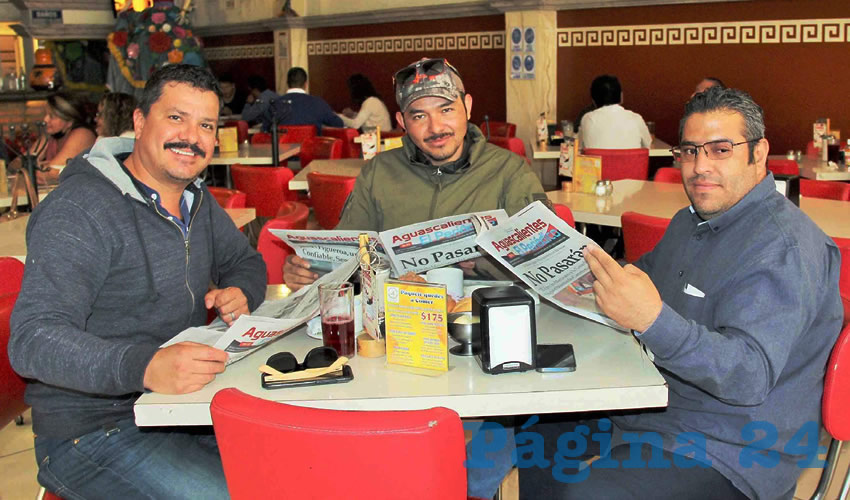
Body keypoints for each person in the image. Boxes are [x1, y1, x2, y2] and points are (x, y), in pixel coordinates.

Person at [519, 86, 843, 500]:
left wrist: (652, 320)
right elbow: (641, 277)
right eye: (689, 151)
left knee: (591, 493)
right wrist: (563, 265)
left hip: (734, 447)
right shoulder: (692, 221)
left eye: (720, 150)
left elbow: (749, 375)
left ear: (758, 153)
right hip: (656, 408)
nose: (699, 166)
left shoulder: (784, 248)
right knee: (532, 424)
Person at [9, 64, 267, 499]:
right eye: (175, 118)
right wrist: (145, 366)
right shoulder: (81, 209)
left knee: (297, 469)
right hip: (92, 432)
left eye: (206, 124)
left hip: (180, 411)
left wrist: (242, 290)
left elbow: (246, 261)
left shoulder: (195, 200)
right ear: (139, 121)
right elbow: (32, 340)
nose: (192, 136)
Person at [284, 56, 548, 291]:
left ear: (467, 107)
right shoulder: (378, 172)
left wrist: (484, 264)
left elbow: (544, 259)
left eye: (446, 110)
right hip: (397, 324)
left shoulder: (509, 170)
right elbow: (346, 259)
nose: (436, 128)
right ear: (402, 123)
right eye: (419, 116)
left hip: (484, 320)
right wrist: (308, 269)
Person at [18, 92, 97, 184]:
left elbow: (47, 174)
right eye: (45, 114)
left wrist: (37, 167)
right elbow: (17, 163)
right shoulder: (50, 136)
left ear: (69, 122)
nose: (45, 120)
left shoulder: (82, 134)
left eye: (52, 116)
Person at [578, 75, 651, 149]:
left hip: (599, 161)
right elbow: (648, 146)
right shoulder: (636, 119)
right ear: (621, 96)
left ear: (593, 100)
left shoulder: (587, 119)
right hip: (630, 160)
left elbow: (580, 147)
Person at [274, 66, 343, 134]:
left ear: (287, 83)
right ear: (305, 84)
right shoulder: (318, 103)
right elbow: (338, 124)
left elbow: (265, 128)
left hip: (282, 144)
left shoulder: (274, 104)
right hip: (311, 144)